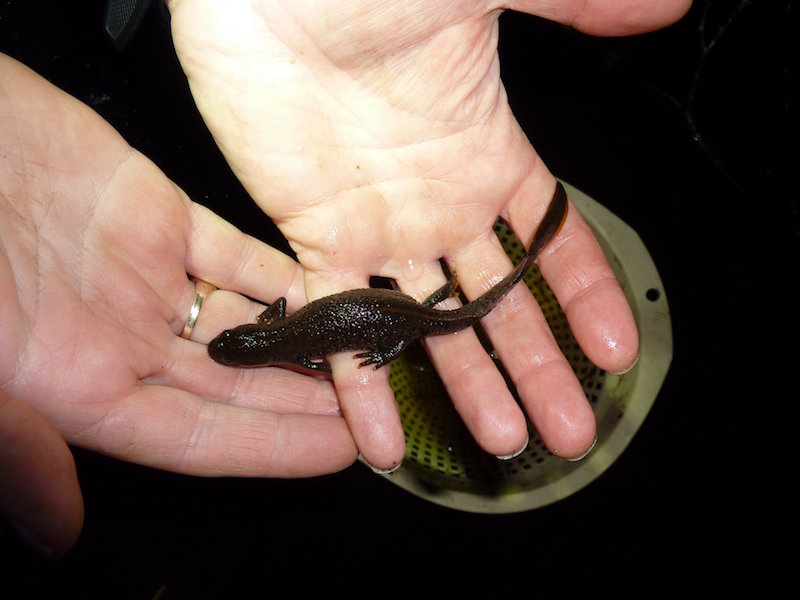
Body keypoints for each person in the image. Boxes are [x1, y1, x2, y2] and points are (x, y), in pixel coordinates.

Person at [1, 0, 691, 557]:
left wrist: (374, 343)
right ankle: (458, 295)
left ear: (248, 334)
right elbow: (283, 315)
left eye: (238, 339)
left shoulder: (286, 343)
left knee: (450, 308)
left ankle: (484, 279)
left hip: (397, 317)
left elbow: (300, 338)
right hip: (395, 317)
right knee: (438, 311)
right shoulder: (278, 334)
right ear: (245, 335)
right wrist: (384, 343)